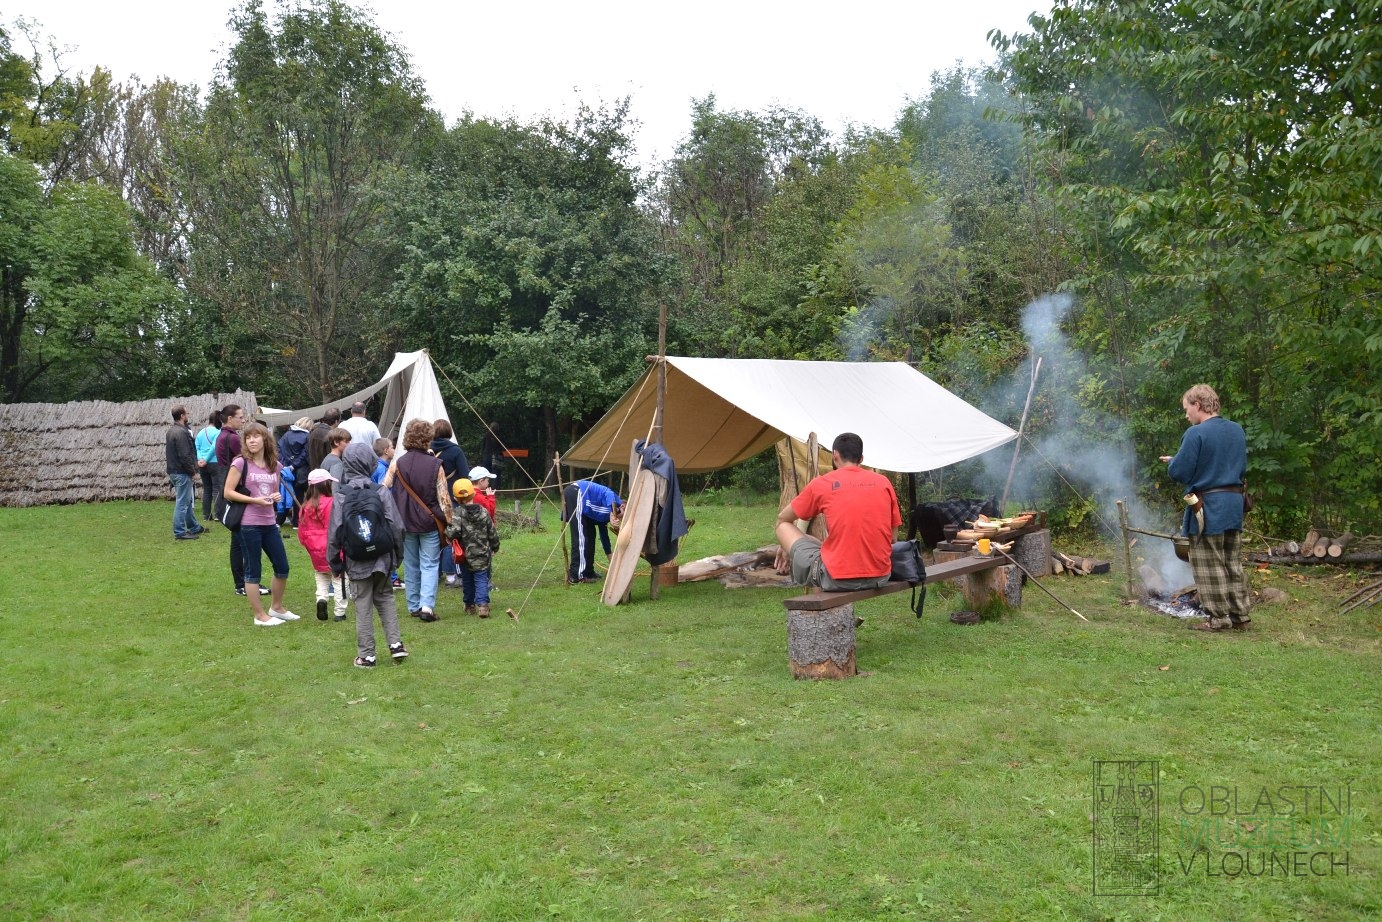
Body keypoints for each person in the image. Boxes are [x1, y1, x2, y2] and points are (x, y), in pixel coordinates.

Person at [1161, 384, 1252, 632]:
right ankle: (1240, 616)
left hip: (1208, 508)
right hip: (1233, 505)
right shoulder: (1236, 430)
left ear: (1197, 405)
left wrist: (1173, 463)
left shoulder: (1195, 433)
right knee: (1232, 562)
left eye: (1186, 409)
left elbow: (1180, 472)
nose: (1186, 415)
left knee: (1210, 565)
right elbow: (1228, 467)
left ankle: (1219, 619)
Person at [774, 432, 901, 590]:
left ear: (835, 455)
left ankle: (821, 604)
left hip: (837, 579)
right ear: (861, 458)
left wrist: (784, 546)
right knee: (816, 544)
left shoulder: (822, 483)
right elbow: (893, 538)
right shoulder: (883, 482)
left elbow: (783, 518)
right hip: (880, 576)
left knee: (782, 527)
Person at [328, 441, 407, 667]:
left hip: (356, 559)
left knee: (362, 603)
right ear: (370, 463)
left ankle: (367, 655)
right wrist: (397, 555)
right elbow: (396, 526)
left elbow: (335, 532)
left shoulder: (341, 496)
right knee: (386, 597)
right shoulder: (380, 491)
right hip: (382, 556)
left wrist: (334, 563)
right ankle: (396, 645)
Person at [223, 421, 299, 626]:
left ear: (265, 439)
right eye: (248, 437)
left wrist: (275, 496)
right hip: (248, 523)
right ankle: (259, 616)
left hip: (269, 522)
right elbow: (227, 492)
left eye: (256, 436)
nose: (252, 440)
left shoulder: (275, 465)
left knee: (282, 566)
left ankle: (277, 607)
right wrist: (254, 500)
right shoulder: (240, 463)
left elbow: (272, 490)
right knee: (253, 570)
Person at [385, 418, 452, 622]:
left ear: (407, 438)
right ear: (428, 439)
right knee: (430, 564)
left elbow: (383, 488)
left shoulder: (397, 464)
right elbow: (444, 499)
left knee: (411, 564)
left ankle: (414, 606)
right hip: (429, 522)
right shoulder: (436, 465)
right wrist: (450, 524)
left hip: (404, 522)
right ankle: (427, 607)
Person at [215, 404, 266, 597]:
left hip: (230, 488)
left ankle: (243, 582)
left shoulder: (222, 436)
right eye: (240, 417)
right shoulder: (233, 438)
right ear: (230, 419)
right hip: (238, 491)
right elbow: (247, 460)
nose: (243, 420)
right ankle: (246, 582)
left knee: (238, 541)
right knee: (242, 542)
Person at [298, 468, 348, 622]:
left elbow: (301, 533)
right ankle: (340, 612)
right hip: (334, 549)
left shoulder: (305, 506)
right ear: (325, 484)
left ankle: (321, 599)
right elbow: (339, 525)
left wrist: (309, 545)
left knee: (321, 576)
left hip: (315, 550)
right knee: (339, 578)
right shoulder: (332, 503)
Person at [447, 478, 500, 618]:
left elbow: (453, 532)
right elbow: (492, 532)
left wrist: (447, 532)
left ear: (455, 498)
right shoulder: (483, 512)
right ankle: (483, 606)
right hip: (482, 554)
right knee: (481, 578)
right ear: (473, 494)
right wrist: (495, 546)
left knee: (467, 580)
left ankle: (469, 605)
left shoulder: (458, 513)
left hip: (465, 555)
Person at [431, 420, 469, 587]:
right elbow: (465, 475)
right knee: (450, 536)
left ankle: (434, 572)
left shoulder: (427, 450)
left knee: (434, 535)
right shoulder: (455, 451)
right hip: (451, 499)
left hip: (432, 499)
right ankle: (451, 575)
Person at [562, 479, 623, 583]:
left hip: (586, 510)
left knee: (590, 535)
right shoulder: (616, 501)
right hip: (577, 492)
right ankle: (576, 575)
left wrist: (610, 559)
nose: (621, 519)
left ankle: (588, 572)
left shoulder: (605, 515)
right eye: (624, 515)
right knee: (580, 536)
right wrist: (612, 513)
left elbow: (604, 535)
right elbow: (608, 493)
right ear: (623, 507)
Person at [165, 405, 204, 540]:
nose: (188, 415)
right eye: (187, 413)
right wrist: (193, 472)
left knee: (186, 501)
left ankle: (194, 527)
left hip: (174, 471)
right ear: (182, 416)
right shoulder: (182, 432)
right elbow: (185, 455)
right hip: (181, 472)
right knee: (182, 503)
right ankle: (179, 532)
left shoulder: (171, 431)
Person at [277, 416, 313, 527]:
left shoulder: (286, 435)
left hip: (285, 469)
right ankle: (297, 522)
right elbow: (305, 454)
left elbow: (279, 450)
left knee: (285, 493)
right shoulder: (307, 437)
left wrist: (284, 465)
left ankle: (279, 520)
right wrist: (294, 464)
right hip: (300, 470)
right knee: (298, 495)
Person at [194, 409, 222, 522]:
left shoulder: (201, 432)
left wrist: (201, 459)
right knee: (216, 489)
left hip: (202, 465)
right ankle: (217, 515)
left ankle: (206, 515)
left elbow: (197, 447)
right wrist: (206, 459)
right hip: (214, 463)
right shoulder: (218, 432)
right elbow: (214, 447)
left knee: (207, 489)